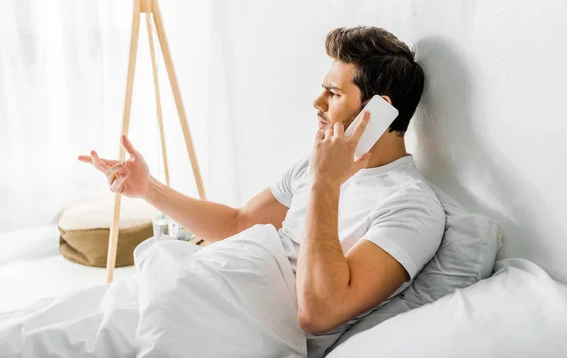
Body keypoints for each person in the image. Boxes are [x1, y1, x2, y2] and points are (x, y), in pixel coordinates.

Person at [79, 26, 445, 356]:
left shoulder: (411, 205)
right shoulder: (314, 165)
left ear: (378, 112)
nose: (317, 104)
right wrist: (149, 189)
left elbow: (319, 314)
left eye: (332, 94)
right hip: (202, 284)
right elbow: (237, 224)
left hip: (234, 322)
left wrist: (326, 183)